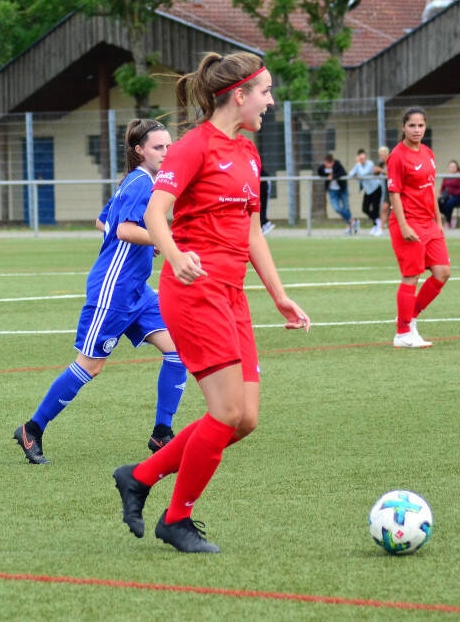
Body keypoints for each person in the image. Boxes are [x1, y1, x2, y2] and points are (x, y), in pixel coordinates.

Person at [112, 51, 311, 554]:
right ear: (239, 95)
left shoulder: (248, 153)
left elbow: (252, 233)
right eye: (265, 91)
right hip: (194, 292)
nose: (271, 101)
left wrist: (280, 296)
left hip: (232, 295)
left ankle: (140, 476)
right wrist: (176, 255)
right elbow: (156, 213)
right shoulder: (193, 147)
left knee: (244, 420)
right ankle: (176, 519)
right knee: (224, 412)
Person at [13, 119, 187, 464]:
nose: (166, 153)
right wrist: (158, 240)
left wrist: (147, 241)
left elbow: (102, 220)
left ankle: (161, 433)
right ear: (139, 150)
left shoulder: (136, 181)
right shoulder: (141, 183)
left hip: (137, 290)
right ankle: (31, 429)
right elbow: (123, 230)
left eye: (169, 146)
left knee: (178, 350)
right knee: (90, 366)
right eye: (158, 147)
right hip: (114, 289)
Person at [387, 107, 451, 349]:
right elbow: (394, 193)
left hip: (428, 223)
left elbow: (430, 189)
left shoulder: (428, 153)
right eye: (412, 125)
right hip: (408, 222)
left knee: (442, 272)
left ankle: (408, 317)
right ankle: (403, 333)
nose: (416, 130)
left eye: (420, 125)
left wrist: (438, 221)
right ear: (403, 127)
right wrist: (403, 226)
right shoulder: (397, 156)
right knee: (411, 276)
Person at [317, 153, 357, 234]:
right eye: (326, 164)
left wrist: (333, 176)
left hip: (342, 189)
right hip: (332, 191)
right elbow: (320, 172)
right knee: (336, 208)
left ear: (332, 162)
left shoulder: (337, 164)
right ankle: (353, 221)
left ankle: (348, 227)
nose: (327, 166)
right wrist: (327, 175)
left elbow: (343, 173)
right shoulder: (323, 167)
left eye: (329, 164)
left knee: (346, 207)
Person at [348, 148, 384, 235]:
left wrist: (358, 165)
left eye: (363, 158)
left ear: (366, 157)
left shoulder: (369, 163)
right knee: (365, 209)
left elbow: (363, 173)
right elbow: (350, 174)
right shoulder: (358, 165)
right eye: (361, 158)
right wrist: (357, 169)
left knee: (375, 208)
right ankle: (376, 221)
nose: (362, 160)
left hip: (376, 188)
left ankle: (377, 225)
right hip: (368, 190)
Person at [437, 160, 460, 228]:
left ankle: (448, 221)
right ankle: (450, 219)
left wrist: (452, 194)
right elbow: (442, 188)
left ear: (457, 167)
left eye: (454, 166)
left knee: (449, 203)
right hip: (448, 196)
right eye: (451, 167)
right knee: (438, 202)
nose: (452, 168)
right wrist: (443, 195)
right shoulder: (446, 177)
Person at [375, 146, 390, 233]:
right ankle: (380, 228)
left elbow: (391, 173)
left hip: (395, 189)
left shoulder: (391, 162)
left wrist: (381, 171)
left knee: (396, 210)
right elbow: (375, 172)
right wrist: (376, 170)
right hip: (387, 190)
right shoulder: (381, 164)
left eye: (382, 155)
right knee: (384, 208)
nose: (381, 157)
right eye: (380, 155)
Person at [260, 165, 275, 234]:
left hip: (263, 181)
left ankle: (265, 223)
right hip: (255, 181)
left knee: (263, 205)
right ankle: (263, 223)